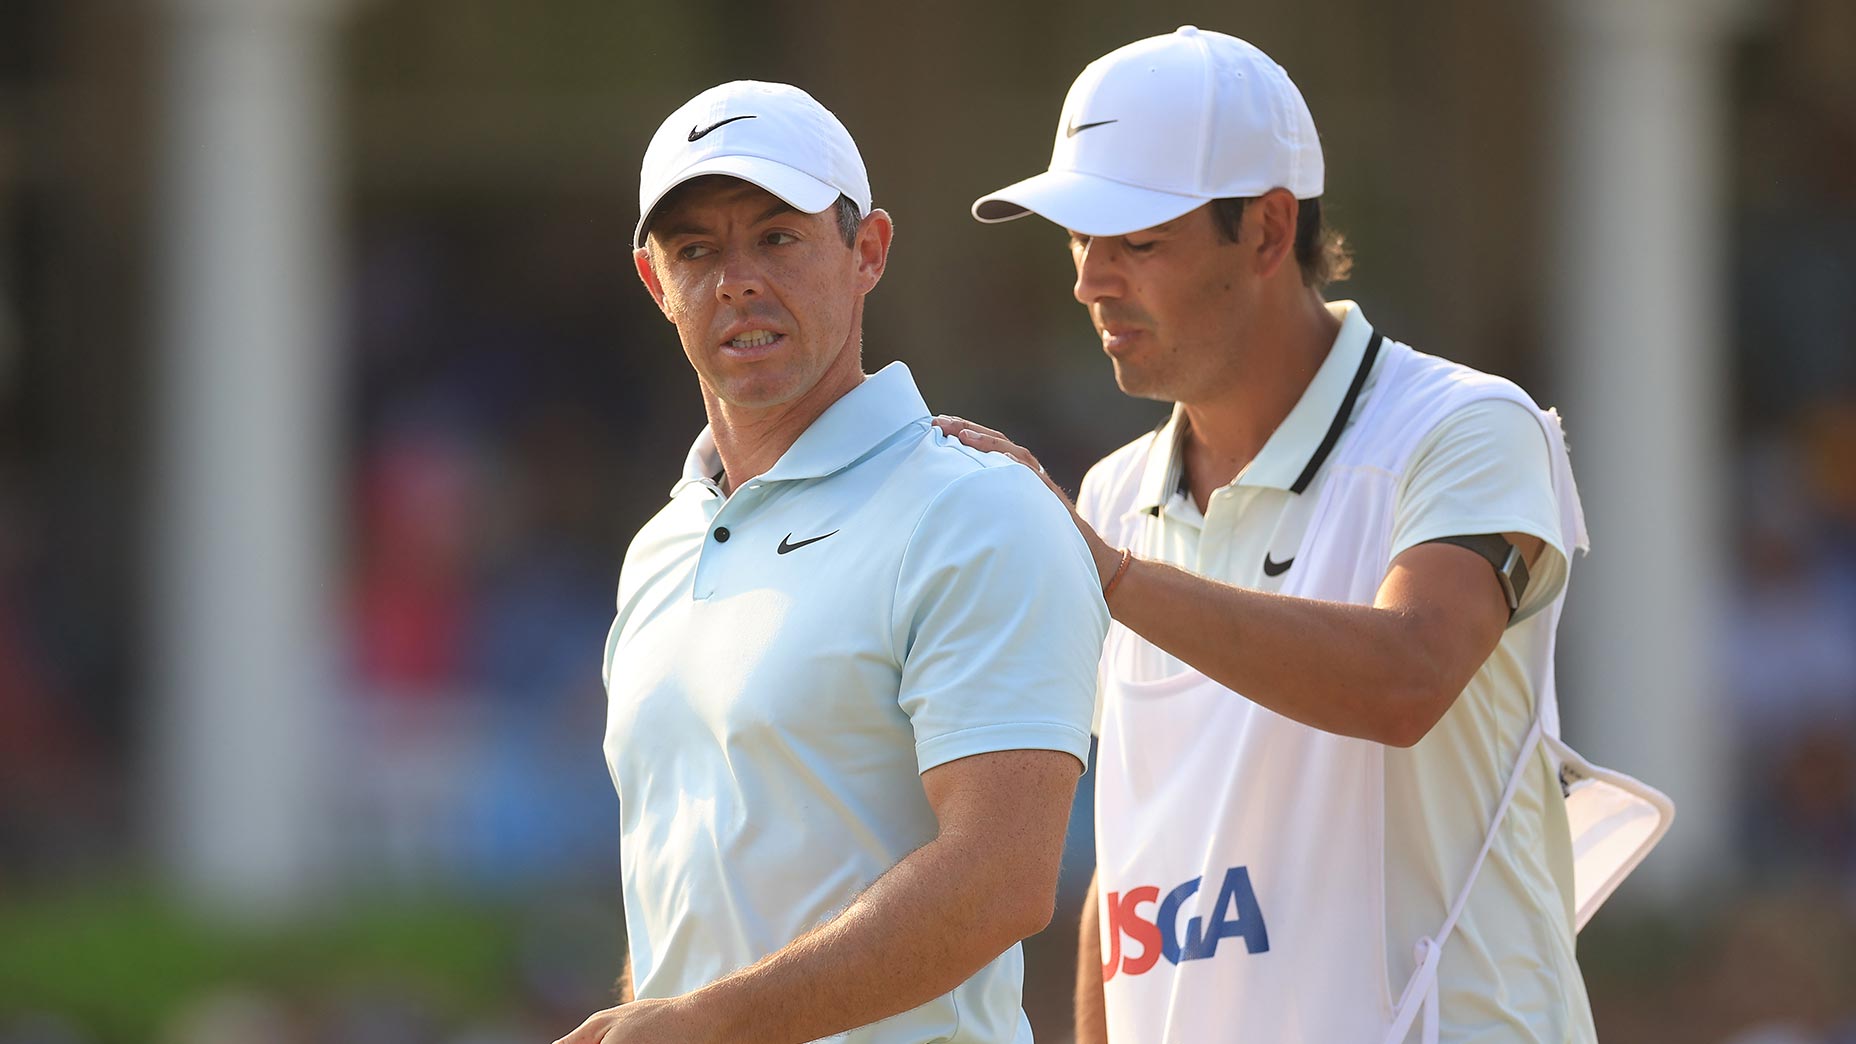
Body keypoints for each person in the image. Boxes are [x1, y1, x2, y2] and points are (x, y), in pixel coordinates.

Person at [941, 27, 1602, 1043]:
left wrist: (1109, 575)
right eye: (1078, 238)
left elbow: (1406, 680)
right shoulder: (1111, 499)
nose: (1090, 280)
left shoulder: (1469, 425)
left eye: (1136, 242)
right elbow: (1132, 858)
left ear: (1266, 231)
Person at [557, 81, 1109, 1044]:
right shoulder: (660, 546)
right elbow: (687, 905)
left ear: (869, 252)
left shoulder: (974, 510)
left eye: (778, 237)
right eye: (696, 250)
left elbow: (1002, 881)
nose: (737, 281)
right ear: (654, 281)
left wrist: (705, 1025)